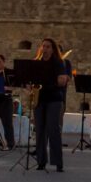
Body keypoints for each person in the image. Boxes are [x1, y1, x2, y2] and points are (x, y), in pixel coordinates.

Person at [34, 38, 70, 171]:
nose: (45, 49)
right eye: (43, 46)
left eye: (48, 46)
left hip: (54, 99)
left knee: (53, 129)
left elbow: (62, 81)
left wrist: (54, 80)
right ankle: (41, 161)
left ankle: (58, 162)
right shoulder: (37, 63)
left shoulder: (58, 63)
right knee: (40, 130)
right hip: (40, 99)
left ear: (53, 49)